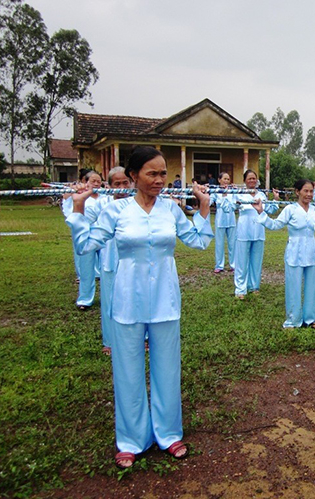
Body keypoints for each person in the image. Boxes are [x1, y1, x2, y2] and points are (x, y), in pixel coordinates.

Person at [66, 146, 214, 468]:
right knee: (128, 371)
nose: (160, 180)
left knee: (167, 368)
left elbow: (198, 240)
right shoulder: (116, 212)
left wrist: (203, 207)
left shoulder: (171, 210)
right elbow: (85, 244)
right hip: (127, 301)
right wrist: (78, 209)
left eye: (163, 173)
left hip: (165, 301)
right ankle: (131, 440)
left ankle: (169, 434)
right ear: (133, 176)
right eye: (152, 173)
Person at [254, 179, 315, 328]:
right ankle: (293, 320)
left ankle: (310, 319)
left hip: (311, 252)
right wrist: (261, 213)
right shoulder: (290, 210)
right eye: (305, 191)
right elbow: (275, 225)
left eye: (311, 191)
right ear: (297, 192)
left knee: (311, 286)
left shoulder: (314, 210)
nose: (309, 194)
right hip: (294, 251)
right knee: (293, 287)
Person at [86, 167, 131, 355]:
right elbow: (86, 219)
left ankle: (140, 338)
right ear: (109, 185)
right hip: (110, 259)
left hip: (132, 259)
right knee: (109, 300)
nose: (121, 188)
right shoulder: (102, 203)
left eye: (125, 183)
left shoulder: (136, 202)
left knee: (134, 298)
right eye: (117, 184)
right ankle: (110, 340)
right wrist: (77, 198)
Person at [233, 170, 279, 299]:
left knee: (256, 261)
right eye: (249, 179)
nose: (252, 181)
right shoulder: (239, 194)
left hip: (258, 231)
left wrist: (275, 199)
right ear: (245, 181)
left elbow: (270, 209)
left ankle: (254, 286)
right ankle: (240, 289)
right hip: (244, 231)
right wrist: (230, 197)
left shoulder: (262, 195)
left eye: (254, 178)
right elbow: (230, 207)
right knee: (241, 261)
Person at [64, 170, 102, 311]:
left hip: (105, 235)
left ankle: (110, 297)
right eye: (93, 181)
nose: (96, 183)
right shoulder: (80, 196)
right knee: (86, 269)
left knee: (108, 267)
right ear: (86, 182)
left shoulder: (106, 197)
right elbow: (71, 213)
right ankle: (85, 299)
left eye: (99, 181)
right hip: (86, 234)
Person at [210, 172, 236, 273]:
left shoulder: (233, 191)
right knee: (219, 243)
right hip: (220, 219)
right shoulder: (216, 191)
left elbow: (235, 204)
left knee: (232, 243)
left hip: (231, 219)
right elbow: (209, 201)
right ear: (219, 180)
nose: (226, 181)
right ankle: (219, 265)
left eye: (228, 179)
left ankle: (233, 264)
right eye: (224, 179)